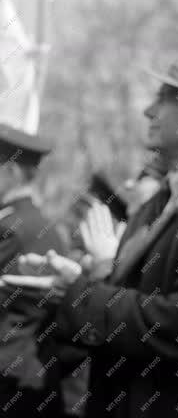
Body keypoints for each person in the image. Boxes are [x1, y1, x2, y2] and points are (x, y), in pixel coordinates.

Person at [4, 43, 178, 418]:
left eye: (164, 99)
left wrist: (77, 294)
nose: (148, 110)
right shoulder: (163, 200)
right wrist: (73, 281)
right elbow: (133, 298)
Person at [0, 124, 67, 417]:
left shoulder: (11, 227)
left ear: (12, 171)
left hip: (9, 373)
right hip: (31, 369)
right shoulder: (39, 223)